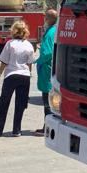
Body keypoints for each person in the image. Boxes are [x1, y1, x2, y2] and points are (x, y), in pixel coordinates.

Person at [0, 20, 35, 137]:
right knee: (21, 103)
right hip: (24, 76)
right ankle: (16, 130)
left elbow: (4, 61)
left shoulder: (10, 44)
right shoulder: (29, 45)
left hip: (11, 76)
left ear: (14, 31)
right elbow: (30, 63)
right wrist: (29, 74)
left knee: (4, 102)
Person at [34, 9, 58, 137]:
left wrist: (38, 61)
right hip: (49, 68)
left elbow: (47, 52)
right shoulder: (53, 31)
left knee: (47, 100)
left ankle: (47, 127)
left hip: (47, 69)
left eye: (45, 17)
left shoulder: (50, 33)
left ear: (48, 19)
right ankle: (46, 126)